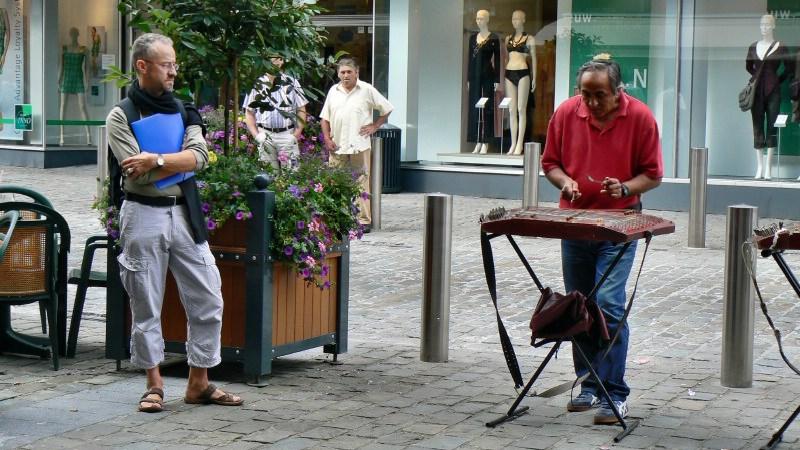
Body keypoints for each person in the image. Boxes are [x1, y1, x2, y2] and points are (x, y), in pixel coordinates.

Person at [106, 32, 243, 413]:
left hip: (185, 215)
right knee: (145, 301)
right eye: (167, 65)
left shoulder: (185, 111)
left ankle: (199, 383)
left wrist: (158, 160)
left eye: (175, 64)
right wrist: (166, 162)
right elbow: (136, 175)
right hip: (142, 213)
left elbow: (200, 156)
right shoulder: (121, 116)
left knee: (208, 297)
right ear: (142, 66)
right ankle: (153, 385)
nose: (173, 72)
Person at [541, 55, 663, 425]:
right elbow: (551, 163)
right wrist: (566, 182)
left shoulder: (640, 117)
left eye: (599, 96)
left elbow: (653, 174)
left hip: (620, 225)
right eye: (585, 95)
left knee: (609, 304)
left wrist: (625, 187)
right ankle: (589, 384)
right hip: (575, 223)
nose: (591, 103)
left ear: (618, 92)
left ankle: (615, 392)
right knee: (580, 305)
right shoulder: (565, 113)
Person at [321, 57, 393, 233]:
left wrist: (375, 126)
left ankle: (363, 220)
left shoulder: (367, 90)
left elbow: (387, 108)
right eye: (342, 72)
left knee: (362, 182)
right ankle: (336, 217)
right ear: (338, 74)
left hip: (359, 144)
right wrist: (327, 139)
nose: (346, 75)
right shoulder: (333, 91)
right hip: (337, 145)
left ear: (356, 73)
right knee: (335, 181)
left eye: (349, 72)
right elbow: (325, 117)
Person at [746, 14, 791, 180]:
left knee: (772, 127)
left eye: (767, 24)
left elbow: (788, 68)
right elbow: (748, 66)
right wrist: (758, 77)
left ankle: (769, 168)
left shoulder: (781, 47)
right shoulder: (753, 47)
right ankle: (759, 166)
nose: (763, 27)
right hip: (757, 92)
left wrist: (775, 80)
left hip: (774, 92)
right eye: (762, 24)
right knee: (757, 126)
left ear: (773, 26)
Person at [243, 56, 308, 169]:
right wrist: (257, 136)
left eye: (278, 59)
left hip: (287, 135)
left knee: (293, 174)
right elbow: (249, 113)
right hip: (265, 136)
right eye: (271, 59)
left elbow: (301, 110)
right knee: (268, 176)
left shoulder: (292, 83)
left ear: (282, 61)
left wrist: (295, 135)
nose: (275, 62)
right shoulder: (257, 84)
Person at [468, 9, 500, 154]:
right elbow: (470, 60)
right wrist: (469, 78)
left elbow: (497, 60)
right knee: (475, 108)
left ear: (487, 20)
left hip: (488, 75)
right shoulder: (472, 38)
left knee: (487, 108)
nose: (478, 21)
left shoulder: (493, 38)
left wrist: (497, 80)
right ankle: (477, 140)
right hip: (475, 76)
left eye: (481, 18)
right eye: (477, 18)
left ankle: (486, 140)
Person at [504, 10, 536, 156]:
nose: (515, 21)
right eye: (513, 18)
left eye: (518, 18)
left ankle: (519, 144)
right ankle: (512, 143)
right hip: (509, 73)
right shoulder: (507, 39)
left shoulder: (529, 38)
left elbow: (534, 59)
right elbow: (506, 58)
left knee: (521, 109)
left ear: (523, 20)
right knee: (511, 110)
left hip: (523, 73)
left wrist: (534, 77)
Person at [59, 27, 91, 145]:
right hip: (66, 78)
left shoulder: (83, 49)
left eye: (75, 33)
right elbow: (61, 66)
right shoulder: (64, 48)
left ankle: (89, 136)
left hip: (78, 78)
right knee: (63, 106)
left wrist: (87, 81)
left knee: (82, 106)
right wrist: (58, 80)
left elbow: (87, 68)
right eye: (71, 33)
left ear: (78, 35)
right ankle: (61, 136)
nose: (73, 35)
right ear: (69, 34)